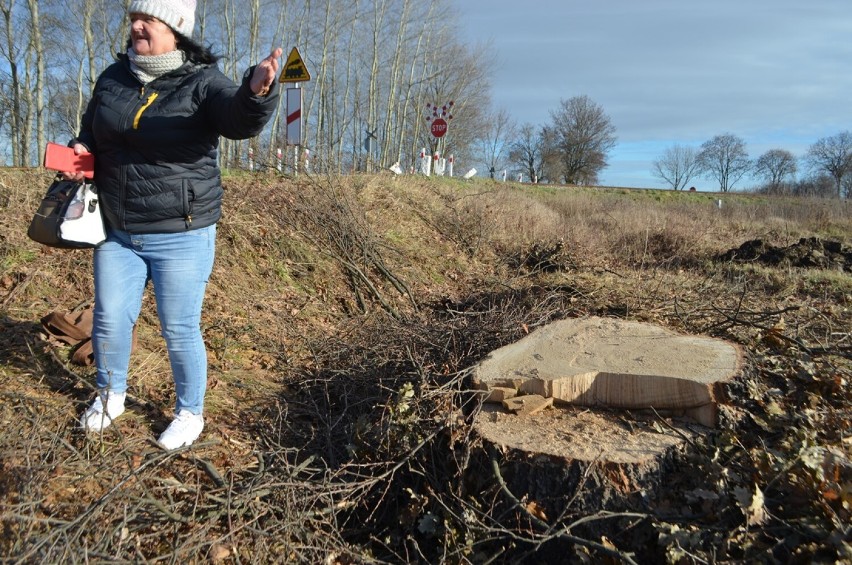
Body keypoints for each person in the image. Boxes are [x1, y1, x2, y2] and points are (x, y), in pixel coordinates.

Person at [62, 0, 282, 449]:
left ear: (176, 29)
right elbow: (90, 131)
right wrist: (75, 152)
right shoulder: (113, 78)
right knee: (108, 321)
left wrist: (257, 94)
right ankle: (110, 394)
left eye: (149, 19)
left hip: (181, 232)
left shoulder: (203, 83)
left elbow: (238, 119)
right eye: (133, 19)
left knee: (179, 327)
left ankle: (189, 411)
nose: (137, 26)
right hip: (117, 229)